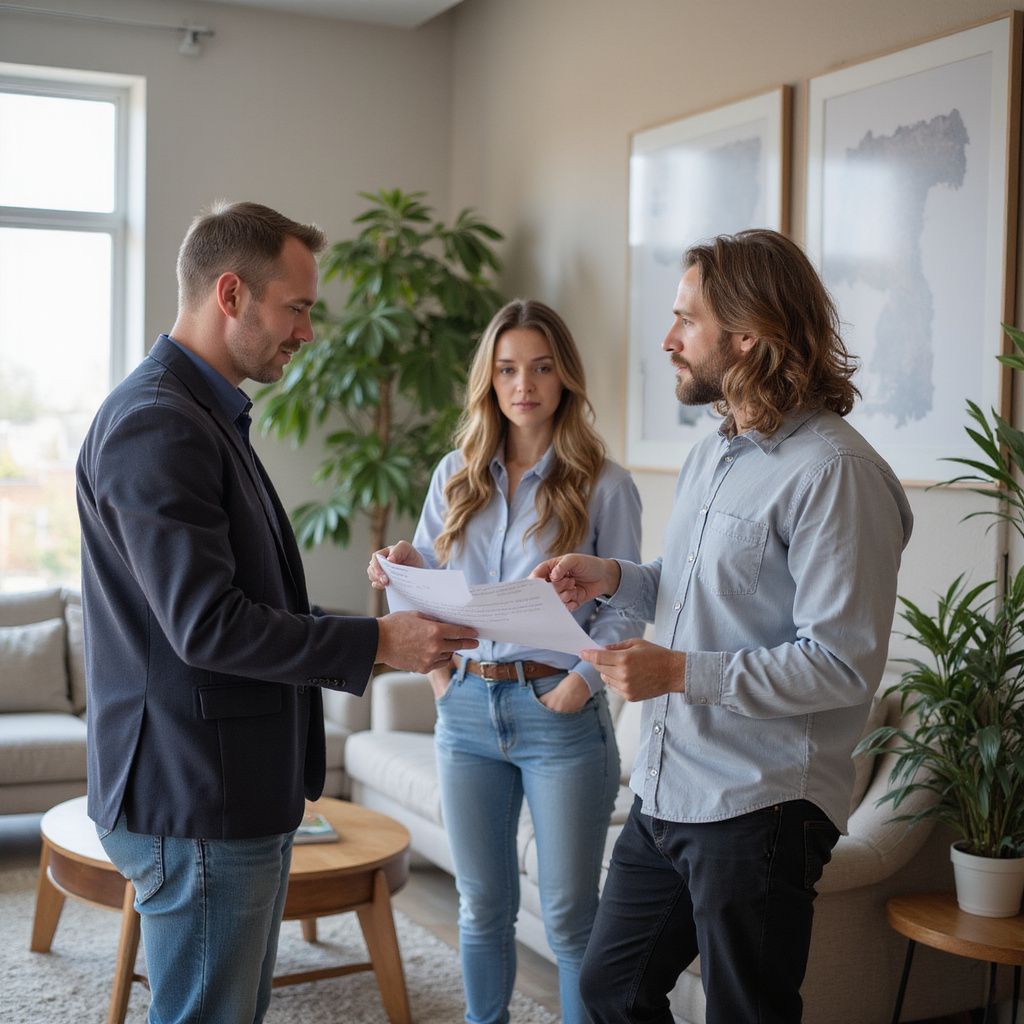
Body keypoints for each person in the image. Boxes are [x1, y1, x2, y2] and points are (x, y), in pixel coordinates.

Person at [76, 201, 478, 1024]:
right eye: (297, 307)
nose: (309, 332)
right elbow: (210, 626)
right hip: (195, 796)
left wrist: (398, 622)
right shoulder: (159, 424)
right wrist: (375, 640)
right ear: (232, 294)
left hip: (219, 791)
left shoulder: (203, 413)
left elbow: (250, 604)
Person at [531, 230, 914, 1024]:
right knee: (609, 988)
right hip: (670, 789)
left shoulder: (836, 473)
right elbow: (700, 594)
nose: (668, 341)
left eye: (686, 321)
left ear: (746, 334)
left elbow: (839, 665)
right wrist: (616, 577)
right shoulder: (717, 452)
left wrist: (675, 674)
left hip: (760, 808)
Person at [367, 298, 643, 1024]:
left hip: (559, 715)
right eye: (509, 369)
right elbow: (425, 578)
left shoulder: (605, 483)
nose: (526, 384)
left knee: (569, 918)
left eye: (543, 368)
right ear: (489, 380)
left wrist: (583, 686)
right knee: (482, 906)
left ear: (566, 378)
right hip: (465, 712)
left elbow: (630, 603)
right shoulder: (455, 476)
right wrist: (402, 577)